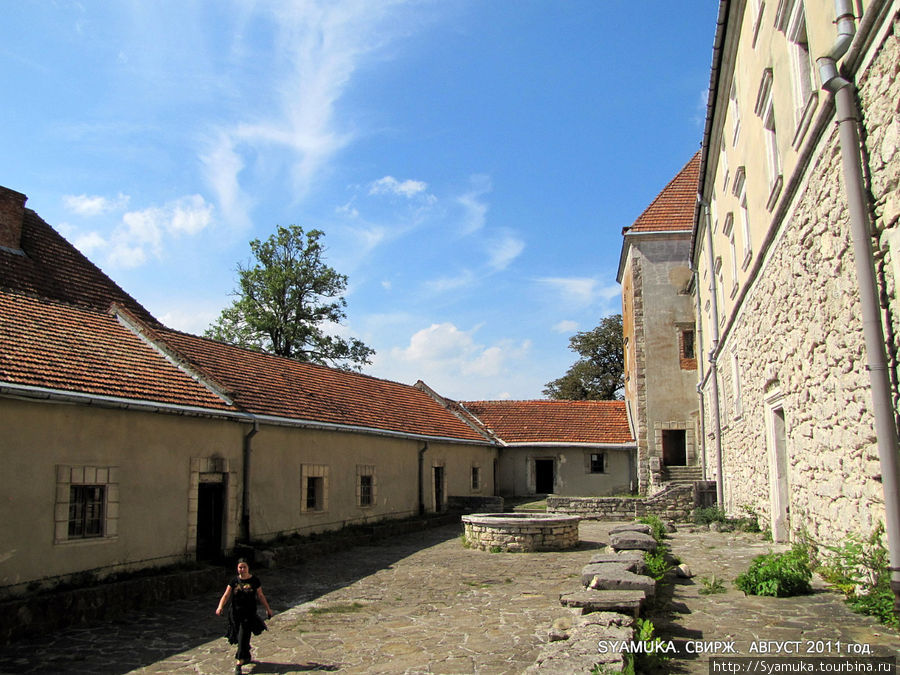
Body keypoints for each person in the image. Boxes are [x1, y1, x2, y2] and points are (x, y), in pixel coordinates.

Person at [216, 558, 273, 674]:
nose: (242, 570)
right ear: (237, 568)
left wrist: (268, 609)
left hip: (249, 613)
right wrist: (220, 606)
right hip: (236, 614)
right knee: (239, 636)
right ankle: (246, 655)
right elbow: (226, 595)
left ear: (248, 568)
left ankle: (239, 663)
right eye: (240, 567)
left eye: (244, 567)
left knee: (242, 636)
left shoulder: (254, 580)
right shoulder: (234, 581)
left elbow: (260, 596)